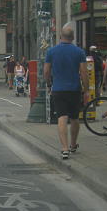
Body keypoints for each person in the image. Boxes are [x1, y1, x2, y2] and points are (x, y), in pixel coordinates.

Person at [44, 24, 89, 160]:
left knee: (62, 117)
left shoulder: (51, 52)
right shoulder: (79, 52)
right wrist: (86, 90)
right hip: (74, 89)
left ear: (60, 37)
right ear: (73, 38)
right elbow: (83, 72)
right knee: (75, 118)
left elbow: (46, 71)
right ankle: (73, 144)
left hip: (58, 89)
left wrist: (49, 84)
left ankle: (64, 148)